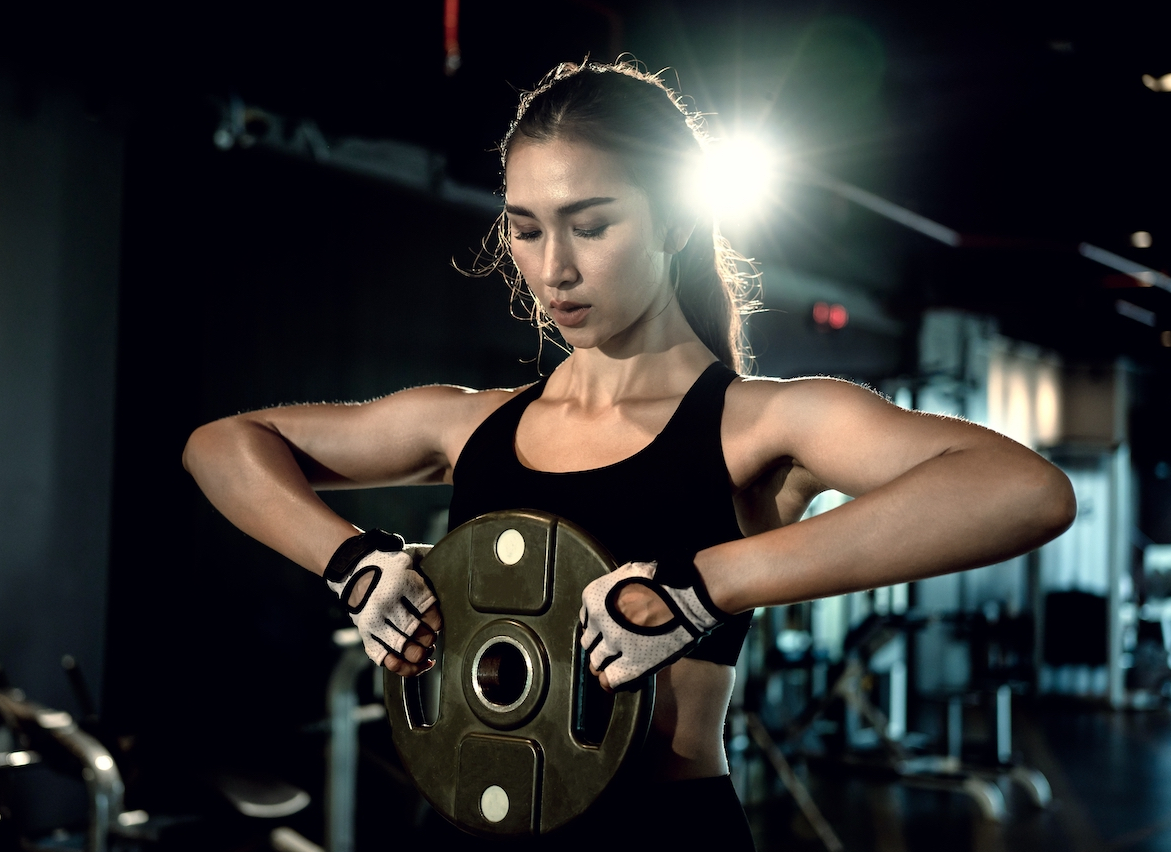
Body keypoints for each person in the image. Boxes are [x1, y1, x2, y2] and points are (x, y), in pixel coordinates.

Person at [182, 59, 1076, 848]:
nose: (552, 267)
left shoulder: (756, 424)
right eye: (525, 228)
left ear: (674, 222)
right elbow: (221, 446)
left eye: (591, 224)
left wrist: (702, 586)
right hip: (469, 824)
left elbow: (1023, 491)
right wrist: (351, 562)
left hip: (663, 827)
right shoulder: (470, 424)